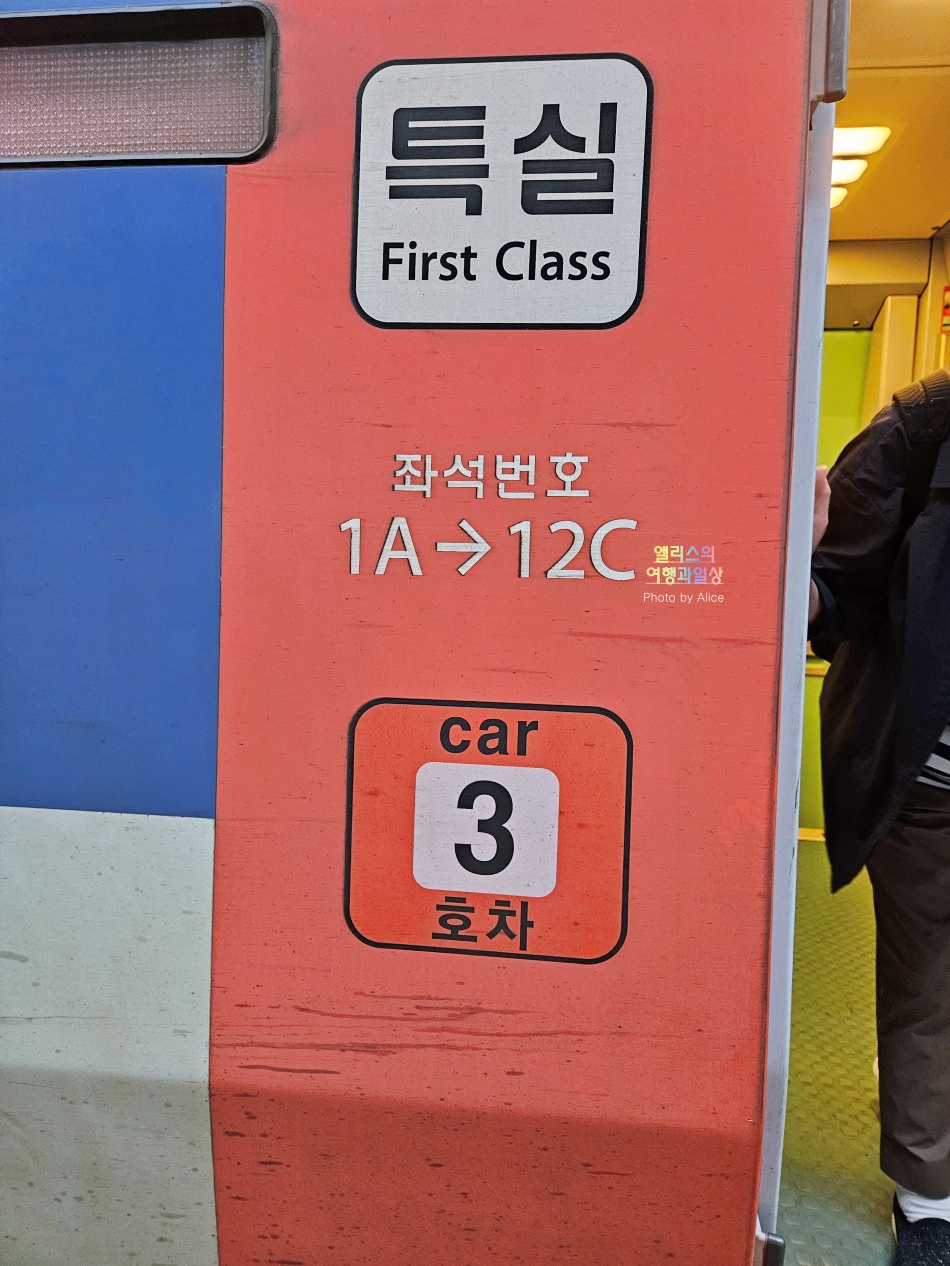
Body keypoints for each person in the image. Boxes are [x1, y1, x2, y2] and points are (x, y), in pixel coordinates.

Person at [809, 366, 950, 1265]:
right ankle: (929, 1195)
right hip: (929, 784)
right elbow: (830, 595)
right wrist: (782, 564)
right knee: (928, 986)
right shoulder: (917, 434)